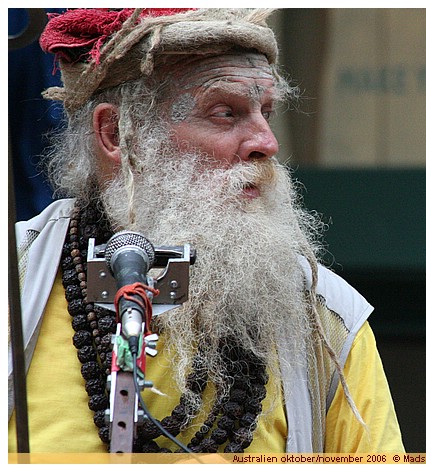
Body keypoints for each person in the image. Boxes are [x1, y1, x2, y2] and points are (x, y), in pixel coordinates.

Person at [8, 8, 404, 454]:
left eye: (266, 112)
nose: (267, 143)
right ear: (116, 133)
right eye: (225, 113)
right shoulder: (13, 279)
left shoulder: (327, 316)